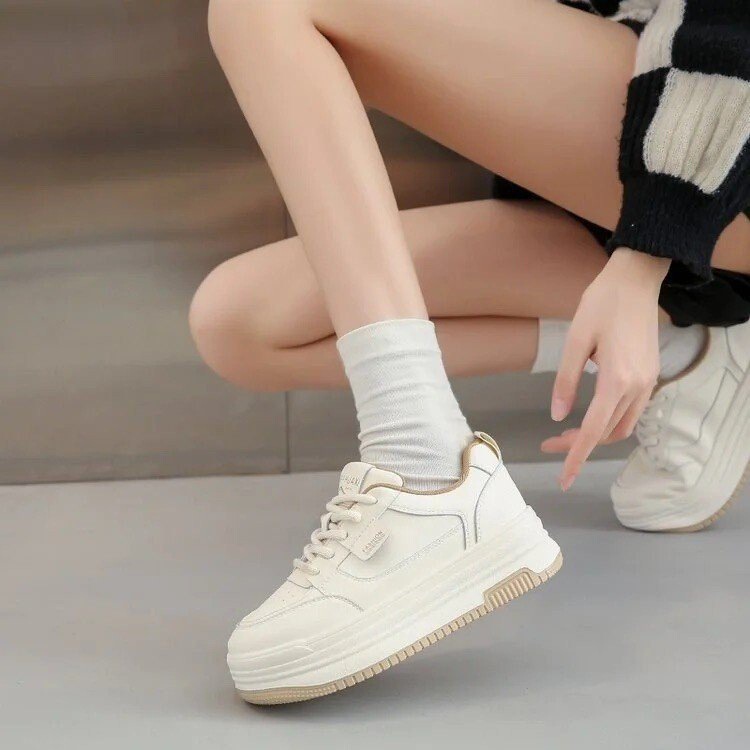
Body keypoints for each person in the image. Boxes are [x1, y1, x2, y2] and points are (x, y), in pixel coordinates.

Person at [189, 0, 750, 703]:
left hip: (710, 133)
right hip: (632, 167)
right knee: (240, 325)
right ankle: (687, 351)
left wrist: (647, 256)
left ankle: (428, 474)